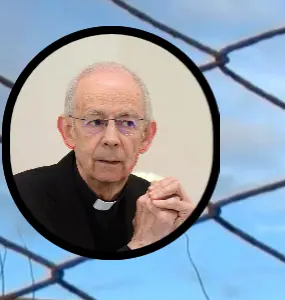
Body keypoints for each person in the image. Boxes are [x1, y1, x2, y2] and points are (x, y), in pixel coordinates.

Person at [13, 61, 195, 254]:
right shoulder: (22, 198)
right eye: (95, 122)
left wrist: (185, 234)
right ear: (68, 131)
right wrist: (142, 244)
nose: (111, 139)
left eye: (127, 123)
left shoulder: (151, 202)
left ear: (147, 136)